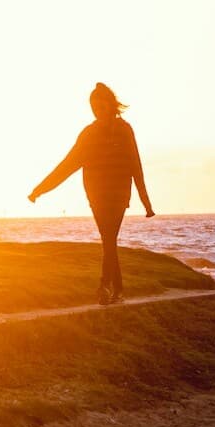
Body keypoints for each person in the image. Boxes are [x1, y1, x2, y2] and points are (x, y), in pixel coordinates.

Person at [29, 83, 154, 304]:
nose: (97, 111)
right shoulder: (89, 133)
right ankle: (118, 290)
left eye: (101, 106)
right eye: (93, 108)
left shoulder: (125, 130)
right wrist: (40, 189)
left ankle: (105, 286)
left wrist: (146, 203)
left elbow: (136, 165)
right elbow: (67, 165)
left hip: (118, 194)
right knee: (109, 240)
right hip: (96, 194)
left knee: (108, 238)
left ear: (110, 105)